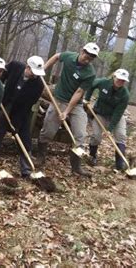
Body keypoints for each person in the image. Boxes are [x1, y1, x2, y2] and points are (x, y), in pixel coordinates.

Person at [37, 42, 99, 177]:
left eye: (91, 58)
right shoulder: (69, 56)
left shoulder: (90, 73)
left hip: (75, 105)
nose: (87, 59)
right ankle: (40, 157)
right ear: (82, 51)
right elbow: (57, 57)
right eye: (86, 55)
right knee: (48, 131)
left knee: (80, 134)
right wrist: (44, 69)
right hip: (58, 99)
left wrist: (66, 111)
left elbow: (79, 92)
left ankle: (76, 166)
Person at [0, 56, 45, 178]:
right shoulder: (14, 66)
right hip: (5, 104)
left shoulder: (38, 85)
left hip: (22, 110)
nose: (35, 75)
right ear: (27, 67)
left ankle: (26, 169)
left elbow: (28, 105)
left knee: (25, 137)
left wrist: (15, 125)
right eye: (33, 72)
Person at [84, 68, 130, 170]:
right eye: (119, 79)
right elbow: (91, 85)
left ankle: (119, 164)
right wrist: (87, 99)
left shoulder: (125, 95)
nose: (120, 82)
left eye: (123, 80)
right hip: (100, 114)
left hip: (116, 116)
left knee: (121, 136)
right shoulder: (103, 82)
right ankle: (92, 156)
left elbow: (118, 113)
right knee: (96, 136)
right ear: (114, 77)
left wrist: (110, 129)